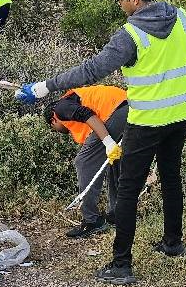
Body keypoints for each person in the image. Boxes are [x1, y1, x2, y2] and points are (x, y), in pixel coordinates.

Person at [16, 0, 186, 286]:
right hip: (179, 116)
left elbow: (92, 69)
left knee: (128, 189)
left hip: (146, 122)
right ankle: (173, 243)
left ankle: (121, 264)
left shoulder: (131, 34)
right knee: (172, 178)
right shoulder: (183, 19)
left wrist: (43, 87)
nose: (119, 4)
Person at [44, 85, 129, 238]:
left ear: (53, 120)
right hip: (130, 106)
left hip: (117, 111)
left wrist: (108, 142)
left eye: (54, 128)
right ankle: (118, 214)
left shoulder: (61, 108)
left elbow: (89, 115)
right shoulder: (73, 101)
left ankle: (92, 220)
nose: (59, 131)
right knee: (113, 161)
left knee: (83, 162)